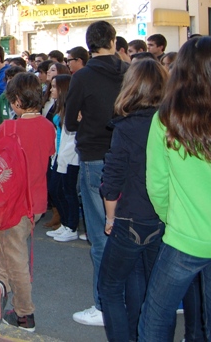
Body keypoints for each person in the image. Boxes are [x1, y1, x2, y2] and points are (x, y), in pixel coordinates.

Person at [139, 36, 211, 341]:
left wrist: (173, 218)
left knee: (155, 317)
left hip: (185, 239)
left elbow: (157, 184)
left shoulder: (166, 119)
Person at [97, 59, 168, 341]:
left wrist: (110, 217)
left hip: (129, 217)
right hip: (163, 219)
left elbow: (112, 179)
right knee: (147, 286)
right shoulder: (173, 124)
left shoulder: (127, 127)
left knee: (111, 287)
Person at [65, 20, 128, 327]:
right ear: (113, 41)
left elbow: (70, 121)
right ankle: (130, 298)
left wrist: (81, 118)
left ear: (89, 45)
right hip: (131, 157)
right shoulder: (131, 72)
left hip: (95, 158)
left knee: (102, 236)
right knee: (133, 231)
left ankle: (104, 306)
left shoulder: (84, 76)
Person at [0, 72, 56, 333]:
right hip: (35, 204)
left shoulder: (9, 128)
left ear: (15, 101)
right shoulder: (49, 127)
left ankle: (25, 313)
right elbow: (48, 156)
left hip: (10, 204)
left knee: (15, 257)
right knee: (9, 251)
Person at [45, 75, 79, 242]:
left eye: (54, 87)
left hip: (69, 157)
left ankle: (71, 225)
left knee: (67, 191)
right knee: (56, 189)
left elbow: (72, 137)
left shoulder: (71, 108)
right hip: (58, 154)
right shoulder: (57, 106)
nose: (51, 90)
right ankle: (66, 223)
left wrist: (62, 156)